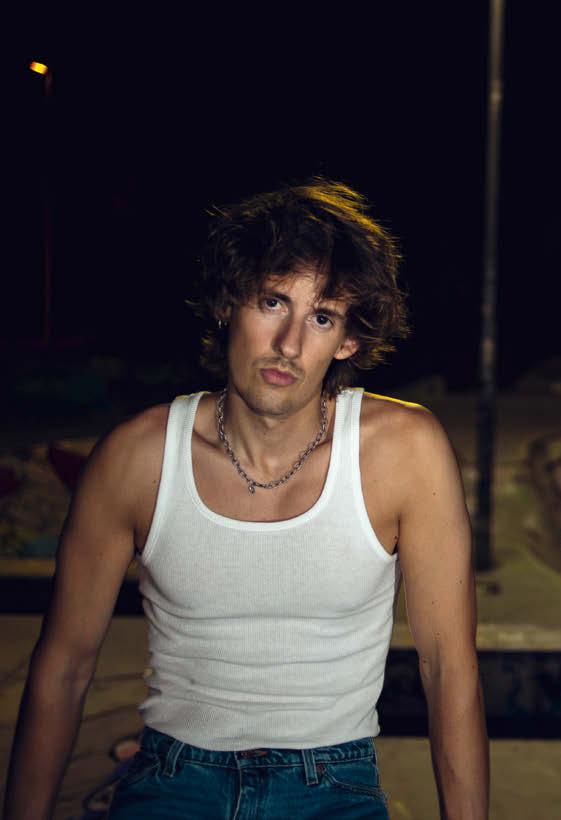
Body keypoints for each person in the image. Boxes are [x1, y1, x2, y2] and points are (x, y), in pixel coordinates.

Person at [5, 180, 489, 820]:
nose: (289, 343)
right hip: (174, 778)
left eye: (321, 317)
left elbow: (449, 668)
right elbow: (64, 667)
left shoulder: (403, 452)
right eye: (273, 301)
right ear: (229, 303)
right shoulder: (138, 458)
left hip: (333, 784)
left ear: (347, 340)